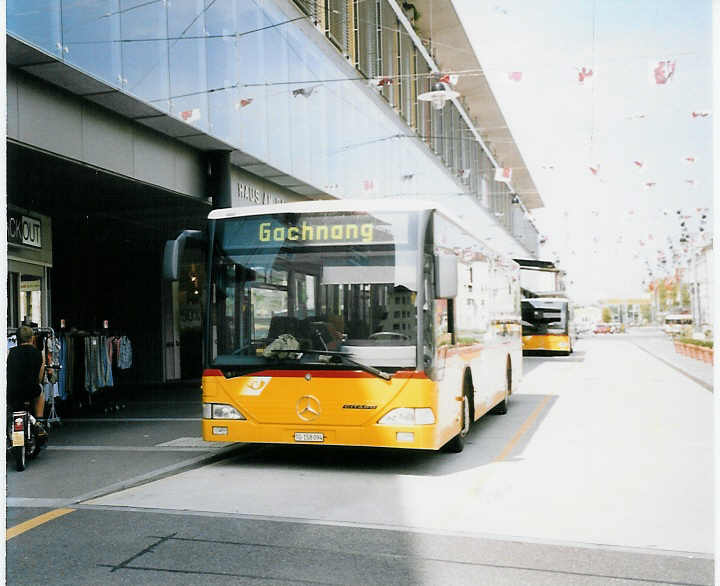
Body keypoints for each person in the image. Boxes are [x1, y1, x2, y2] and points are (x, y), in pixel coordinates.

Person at [7, 325, 48, 438]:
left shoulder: (9, 352)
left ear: (17, 338)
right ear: (32, 338)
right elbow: (39, 378)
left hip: (13, 392)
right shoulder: (40, 354)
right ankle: (39, 422)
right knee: (40, 393)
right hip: (31, 390)